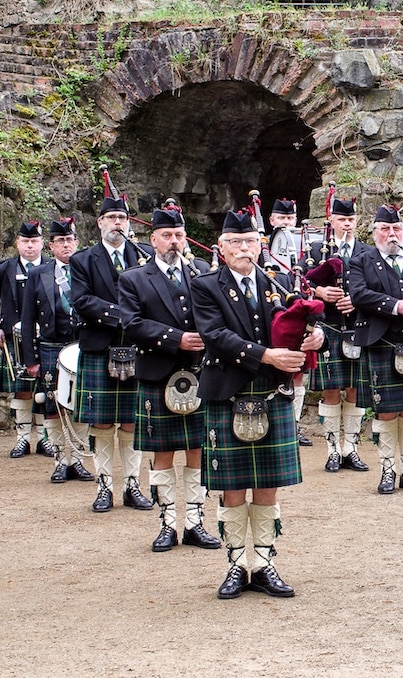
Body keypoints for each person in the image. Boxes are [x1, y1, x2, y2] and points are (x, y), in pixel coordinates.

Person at [195, 209, 325, 599]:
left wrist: (316, 337)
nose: (243, 248)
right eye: (235, 242)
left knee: (267, 484)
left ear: (260, 244)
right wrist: (266, 355)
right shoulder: (206, 286)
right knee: (233, 487)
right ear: (221, 248)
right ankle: (237, 565)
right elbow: (214, 334)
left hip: (271, 394)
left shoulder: (280, 280)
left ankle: (265, 564)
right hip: (228, 393)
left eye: (250, 241)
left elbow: (302, 322)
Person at [118, 206, 221, 553]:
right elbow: (131, 324)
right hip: (158, 374)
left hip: (197, 372)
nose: (174, 242)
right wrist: (176, 338)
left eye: (179, 235)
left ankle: (194, 523)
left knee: (197, 451)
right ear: (153, 239)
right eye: (167, 235)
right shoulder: (133, 278)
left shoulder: (201, 271)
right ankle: (167, 524)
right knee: (162, 452)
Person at [69, 195, 154, 513]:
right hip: (99, 348)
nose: (117, 222)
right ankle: (104, 485)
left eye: (122, 217)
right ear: (100, 222)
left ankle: (132, 484)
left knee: (132, 421)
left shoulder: (143, 256)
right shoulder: (83, 260)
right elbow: (82, 300)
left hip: (136, 347)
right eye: (112, 217)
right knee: (102, 424)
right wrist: (125, 314)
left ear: (129, 223)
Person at [348, 204, 403, 495]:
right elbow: (358, 295)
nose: (392, 234)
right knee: (385, 410)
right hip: (382, 342)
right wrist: (396, 305)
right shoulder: (361, 260)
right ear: (374, 234)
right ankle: (387, 470)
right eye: (385, 229)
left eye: (397, 229)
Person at [22, 218, 94, 483]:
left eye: (70, 239)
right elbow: (28, 319)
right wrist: (31, 358)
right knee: (54, 405)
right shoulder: (37, 274)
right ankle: (61, 461)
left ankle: (77, 459)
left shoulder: (89, 270)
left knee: (82, 405)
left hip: (83, 345)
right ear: (51, 246)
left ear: (77, 242)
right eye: (60, 240)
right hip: (51, 345)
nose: (66, 244)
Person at [307, 196, 371, 473]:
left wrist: (357, 300)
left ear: (357, 221)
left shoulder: (367, 251)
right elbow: (298, 281)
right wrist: (318, 291)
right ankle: (333, 450)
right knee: (331, 389)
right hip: (329, 325)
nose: (347, 224)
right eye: (342, 219)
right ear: (331, 221)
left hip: (358, 325)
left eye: (351, 220)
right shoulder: (316, 249)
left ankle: (351, 449)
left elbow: (375, 285)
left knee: (356, 389)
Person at [0, 220, 53, 458]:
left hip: (46, 337)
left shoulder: (51, 267)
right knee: (22, 390)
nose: (30, 246)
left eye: (34, 241)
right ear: (18, 243)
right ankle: (22, 439)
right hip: (15, 339)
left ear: (42, 244)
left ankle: (45, 440)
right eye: (25, 241)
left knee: (46, 388)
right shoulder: (5, 269)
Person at [269, 197, 313, 448]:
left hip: (298, 308)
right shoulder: (261, 246)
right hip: (273, 310)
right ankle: (275, 424)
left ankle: (293, 425)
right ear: (271, 220)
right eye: (281, 218)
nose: (286, 223)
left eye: (290, 219)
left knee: (298, 372)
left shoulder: (306, 242)